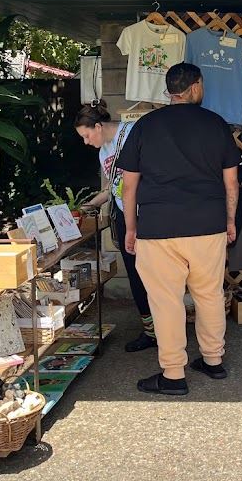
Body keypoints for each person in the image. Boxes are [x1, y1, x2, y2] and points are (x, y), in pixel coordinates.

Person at [117, 63, 241, 396]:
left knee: (166, 301)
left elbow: (128, 186)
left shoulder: (145, 125)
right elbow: (232, 182)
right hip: (207, 225)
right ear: (196, 87)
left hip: (158, 227)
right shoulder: (216, 124)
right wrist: (229, 221)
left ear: (170, 90)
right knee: (209, 296)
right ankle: (213, 361)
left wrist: (131, 228)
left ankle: (173, 375)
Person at [74, 101, 157, 353]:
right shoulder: (103, 152)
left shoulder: (132, 132)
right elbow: (114, 187)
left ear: (98, 126)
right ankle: (150, 331)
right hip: (123, 214)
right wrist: (90, 203)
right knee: (134, 274)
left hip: (148, 213)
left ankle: (166, 329)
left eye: (87, 136)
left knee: (156, 274)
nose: (86, 143)